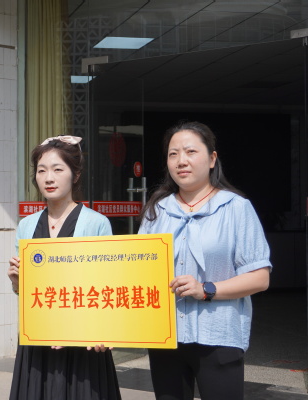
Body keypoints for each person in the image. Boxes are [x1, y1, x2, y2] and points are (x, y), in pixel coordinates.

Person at [138, 121, 271, 400]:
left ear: (212, 159)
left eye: (190, 152)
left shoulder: (236, 208)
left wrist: (206, 289)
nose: (181, 161)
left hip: (218, 336)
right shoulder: (157, 210)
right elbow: (138, 272)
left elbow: (260, 278)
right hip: (166, 337)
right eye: (173, 154)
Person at [7, 135, 121, 400]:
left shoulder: (96, 223)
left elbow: (109, 286)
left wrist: (102, 330)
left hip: (83, 341)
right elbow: (26, 292)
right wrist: (16, 282)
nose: (49, 178)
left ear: (75, 175)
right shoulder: (26, 225)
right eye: (41, 170)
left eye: (58, 169)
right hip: (38, 340)